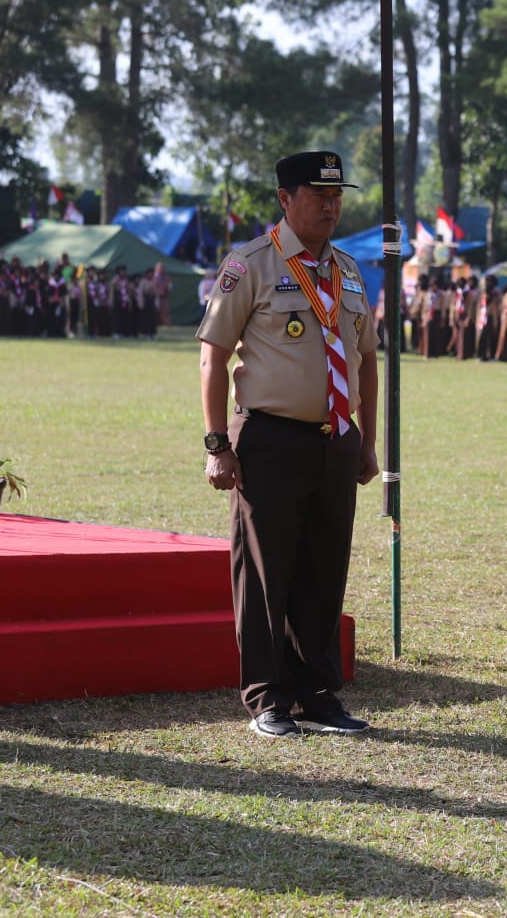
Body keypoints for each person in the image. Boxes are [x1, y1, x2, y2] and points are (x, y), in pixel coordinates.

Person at [196, 151, 380, 739]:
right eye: (318, 195)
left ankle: (318, 693)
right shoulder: (250, 264)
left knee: (324, 569)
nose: (331, 206)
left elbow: (367, 360)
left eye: (337, 196)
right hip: (270, 437)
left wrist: (367, 442)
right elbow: (213, 354)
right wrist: (216, 443)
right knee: (264, 571)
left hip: (335, 440)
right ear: (284, 199)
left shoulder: (348, 271)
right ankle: (267, 697)